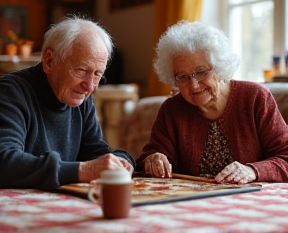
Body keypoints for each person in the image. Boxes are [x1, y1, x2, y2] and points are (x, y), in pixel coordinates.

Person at [136, 20, 288, 184]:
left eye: (201, 72)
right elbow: (149, 158)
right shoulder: (172, 109)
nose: (194, 85)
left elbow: (285, 157)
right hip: (193, 203)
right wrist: (153, 159)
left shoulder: (255, 98)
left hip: (250, 202)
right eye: (183, 77)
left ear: (220, 67)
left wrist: (253, 171)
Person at [0, 16, 135, 190]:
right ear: (49, 61)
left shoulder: (81, 98)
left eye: (97, 74)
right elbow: (4, 162)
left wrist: (123, 161)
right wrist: (84, 170)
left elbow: (96, 154)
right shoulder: (10, 92)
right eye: (81, 70)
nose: (90, 87)